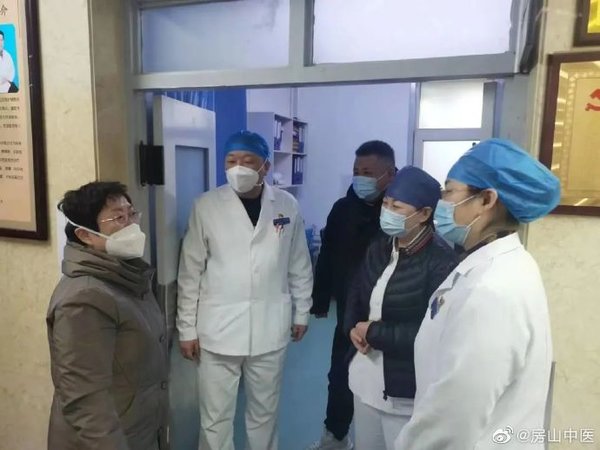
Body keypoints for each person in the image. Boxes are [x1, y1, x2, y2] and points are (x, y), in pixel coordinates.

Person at [394, 139, 561, 450]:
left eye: (449, 191)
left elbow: (455, 416)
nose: (442, 202)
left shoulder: (492, 290)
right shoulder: (499, 265)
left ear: (486, 199)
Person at [177, 130, 313, 450]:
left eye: (248, 161)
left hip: (269, 326)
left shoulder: (286, 205)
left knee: (264, 413)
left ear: (265, 166)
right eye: (231, 160)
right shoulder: (206, 206)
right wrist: (186, 328)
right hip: (217, 330)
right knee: (215, 417)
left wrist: (302, 312)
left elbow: (299, 263)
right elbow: (190, 272)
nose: (238, 167)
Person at [343, 166, 458, 450]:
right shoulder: (380, 246)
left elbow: (434, 333)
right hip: (364, 378)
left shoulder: (441, 262)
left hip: (404, 390)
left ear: (424, 214)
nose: (387, 211)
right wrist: (352, 328)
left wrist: (374, 333)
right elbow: (357, 291)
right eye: (385, 203)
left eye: (397, 207)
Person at [47, 181, 168, 450]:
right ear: (85, 235)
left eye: (131, 214)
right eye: (118, 218)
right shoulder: (85, 298)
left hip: (136, 430)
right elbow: (85, 398)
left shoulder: (128, 277)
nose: (131, 225)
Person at [308, 140, 396, 450]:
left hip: (388, 316)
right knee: (340, 379)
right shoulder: (342, 210)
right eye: (356, 171)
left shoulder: (399, 214)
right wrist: (320, 299)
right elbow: (328, 255)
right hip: (348, 313)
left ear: (390, 174)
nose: (360, 178)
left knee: (383, 384)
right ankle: (335, 437)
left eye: (368, 172)